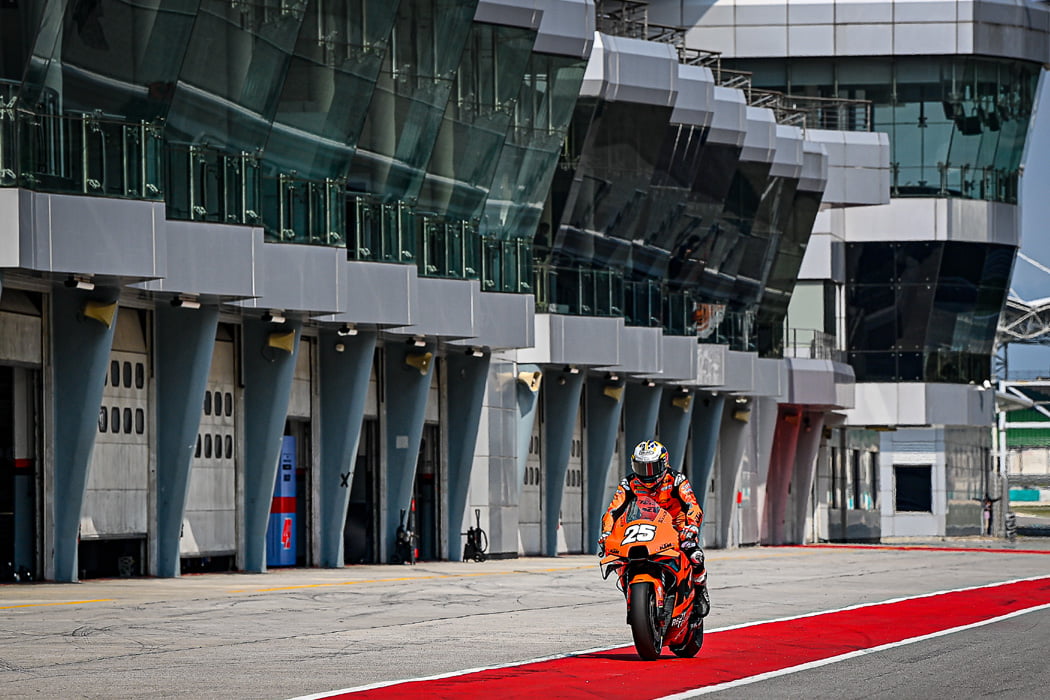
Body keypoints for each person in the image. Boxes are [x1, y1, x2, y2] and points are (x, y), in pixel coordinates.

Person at [598, 439, 710, 617]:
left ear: (664, 463)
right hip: (643, 526)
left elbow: (692, 506)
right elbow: (613, 510)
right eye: (642, 467)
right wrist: (606, 533)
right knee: (621, 559)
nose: (647, 473)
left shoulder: (676, 480)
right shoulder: (629, 483)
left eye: (652, 467)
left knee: (695, 555)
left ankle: (700, 591)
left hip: (676, 527)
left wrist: (691, 526)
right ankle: (636, 598)